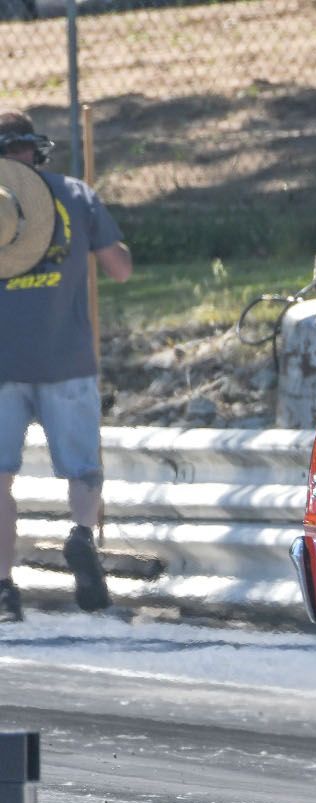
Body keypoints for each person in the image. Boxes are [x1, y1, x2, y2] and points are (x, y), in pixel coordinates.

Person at [0, 109, 132, 622]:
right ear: (35, 150)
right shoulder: (77, 195)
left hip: (2, 365)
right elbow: (120, 269)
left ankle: (5, 591)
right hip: (69, 359)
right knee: (81, 469)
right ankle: (80, 533)